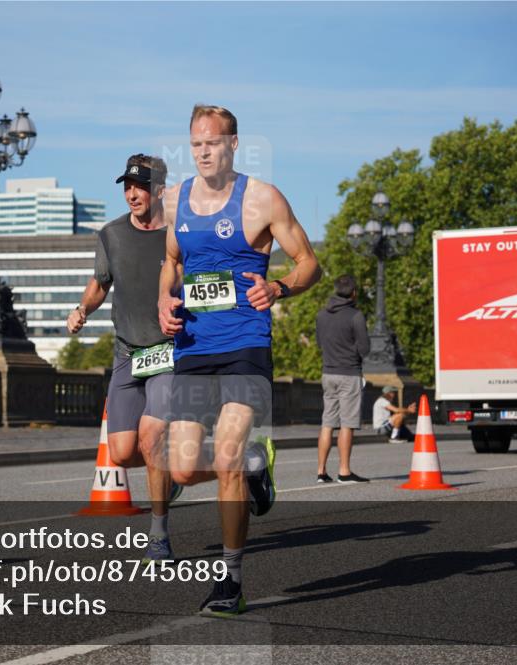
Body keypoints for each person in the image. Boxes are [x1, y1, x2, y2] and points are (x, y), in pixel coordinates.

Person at [158, 104, 321, 616]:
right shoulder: (174, 199)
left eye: (213, 143)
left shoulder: (261, 200)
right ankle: (256, 465)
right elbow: (173, 263)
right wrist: (164, 300)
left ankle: (230, 580)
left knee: (223, 454)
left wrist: (278, 286)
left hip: (247, 343)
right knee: (182, 469)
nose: (204, 152)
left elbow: (309, 264)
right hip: (193, 345)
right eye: (196, 144)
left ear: (233, 144)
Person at [67, 153, 180, 562]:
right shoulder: (111, 234)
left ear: (160, 190)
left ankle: (159, 532)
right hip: (127, 352)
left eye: (141, 187)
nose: (133, 194)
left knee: (152, 439)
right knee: (121, 451)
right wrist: (82, 310)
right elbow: (100, 284)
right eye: (128, 187)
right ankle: (167, 478)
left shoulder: (178, 233)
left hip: (169, 352)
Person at [315, 274, 370, 484]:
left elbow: (320, 343)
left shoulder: (322, 315)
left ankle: (321, 472)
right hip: (349, 373)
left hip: (328, 373)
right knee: (347, 423)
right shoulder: (356, 316)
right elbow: (364, 349)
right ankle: (344, 471)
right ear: (354, 293)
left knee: (327, 423)